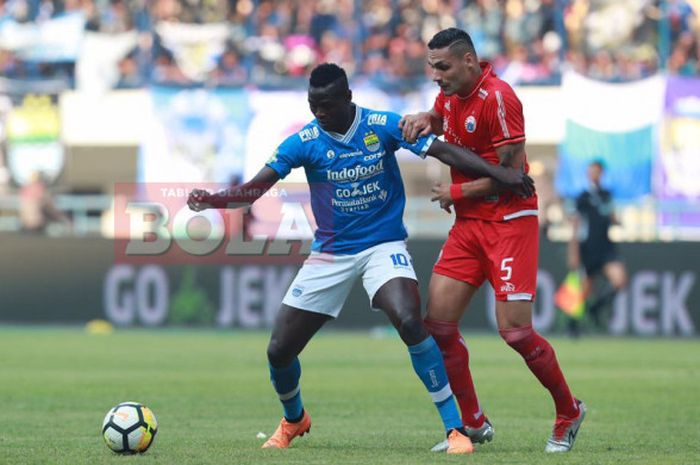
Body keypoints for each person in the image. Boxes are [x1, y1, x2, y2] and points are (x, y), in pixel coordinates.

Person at [188, 63, 533, 453]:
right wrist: (213, 200)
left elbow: (443, 149)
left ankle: (455, 429)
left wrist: (499, 173)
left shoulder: (382, 125)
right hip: (330, 253)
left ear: (348, 99)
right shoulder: (303, 141)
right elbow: (254, 190)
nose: (319, 113)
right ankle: (294, 419)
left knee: (407, 319)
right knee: (279, 350)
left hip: (383, 246)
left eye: (327, 105)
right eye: (313, 105)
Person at [400, 28, 586, 453]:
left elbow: (512, 179)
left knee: (516, 333)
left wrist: (457, 192)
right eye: (432, 67)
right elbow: (440, 117)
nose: (436, 76)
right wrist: (423, 118)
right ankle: (473, 423)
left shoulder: (499, 99)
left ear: (469, 61)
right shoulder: (450, 94)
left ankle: (569, 410)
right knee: (439, 327)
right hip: (468, 226)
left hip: (508, 222)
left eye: (442, 67)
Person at [567, 159, 627, 336]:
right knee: (584, 288)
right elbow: (575, 226)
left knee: (619, 280)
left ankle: (596, 307)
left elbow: (613, 218)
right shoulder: (582, 198)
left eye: (597, 171)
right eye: (591, 171)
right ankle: (573, 324)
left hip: (606, 246)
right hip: (588, 248)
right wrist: (573, 251)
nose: (594, 174)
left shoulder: (607, 195)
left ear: (602, 173)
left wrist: (617, 220)